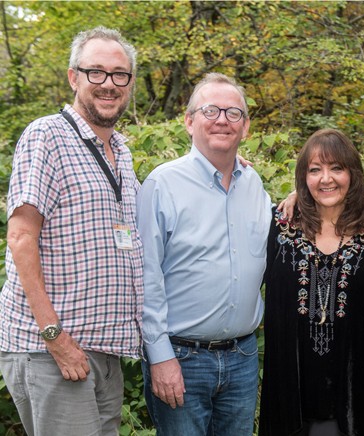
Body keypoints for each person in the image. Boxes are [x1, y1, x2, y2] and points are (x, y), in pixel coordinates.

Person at [0, 27, 142, 435]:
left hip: (103, 349)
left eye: (120, 75)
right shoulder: (47, 136)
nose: (109, 84)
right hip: (52, 350)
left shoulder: (122, 151)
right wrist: (55, 337)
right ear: (72, 77)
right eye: (96, 72)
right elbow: (21, 237)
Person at [138, 73, 271, 435]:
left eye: (233, 113)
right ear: (189, 120)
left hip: (242, 358)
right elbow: (145, 278)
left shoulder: (255, 186)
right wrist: (160, 357)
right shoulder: (162, 185)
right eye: (210, 110)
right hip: (181, 359)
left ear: (245, 127)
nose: (222, 120)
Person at [259, 129, 364, 436]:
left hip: (355, 395)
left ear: (353, 174)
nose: (325, 179)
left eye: (336, 168)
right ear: (303, 177)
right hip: (292, 392)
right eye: (315, 170)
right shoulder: (279, 226)